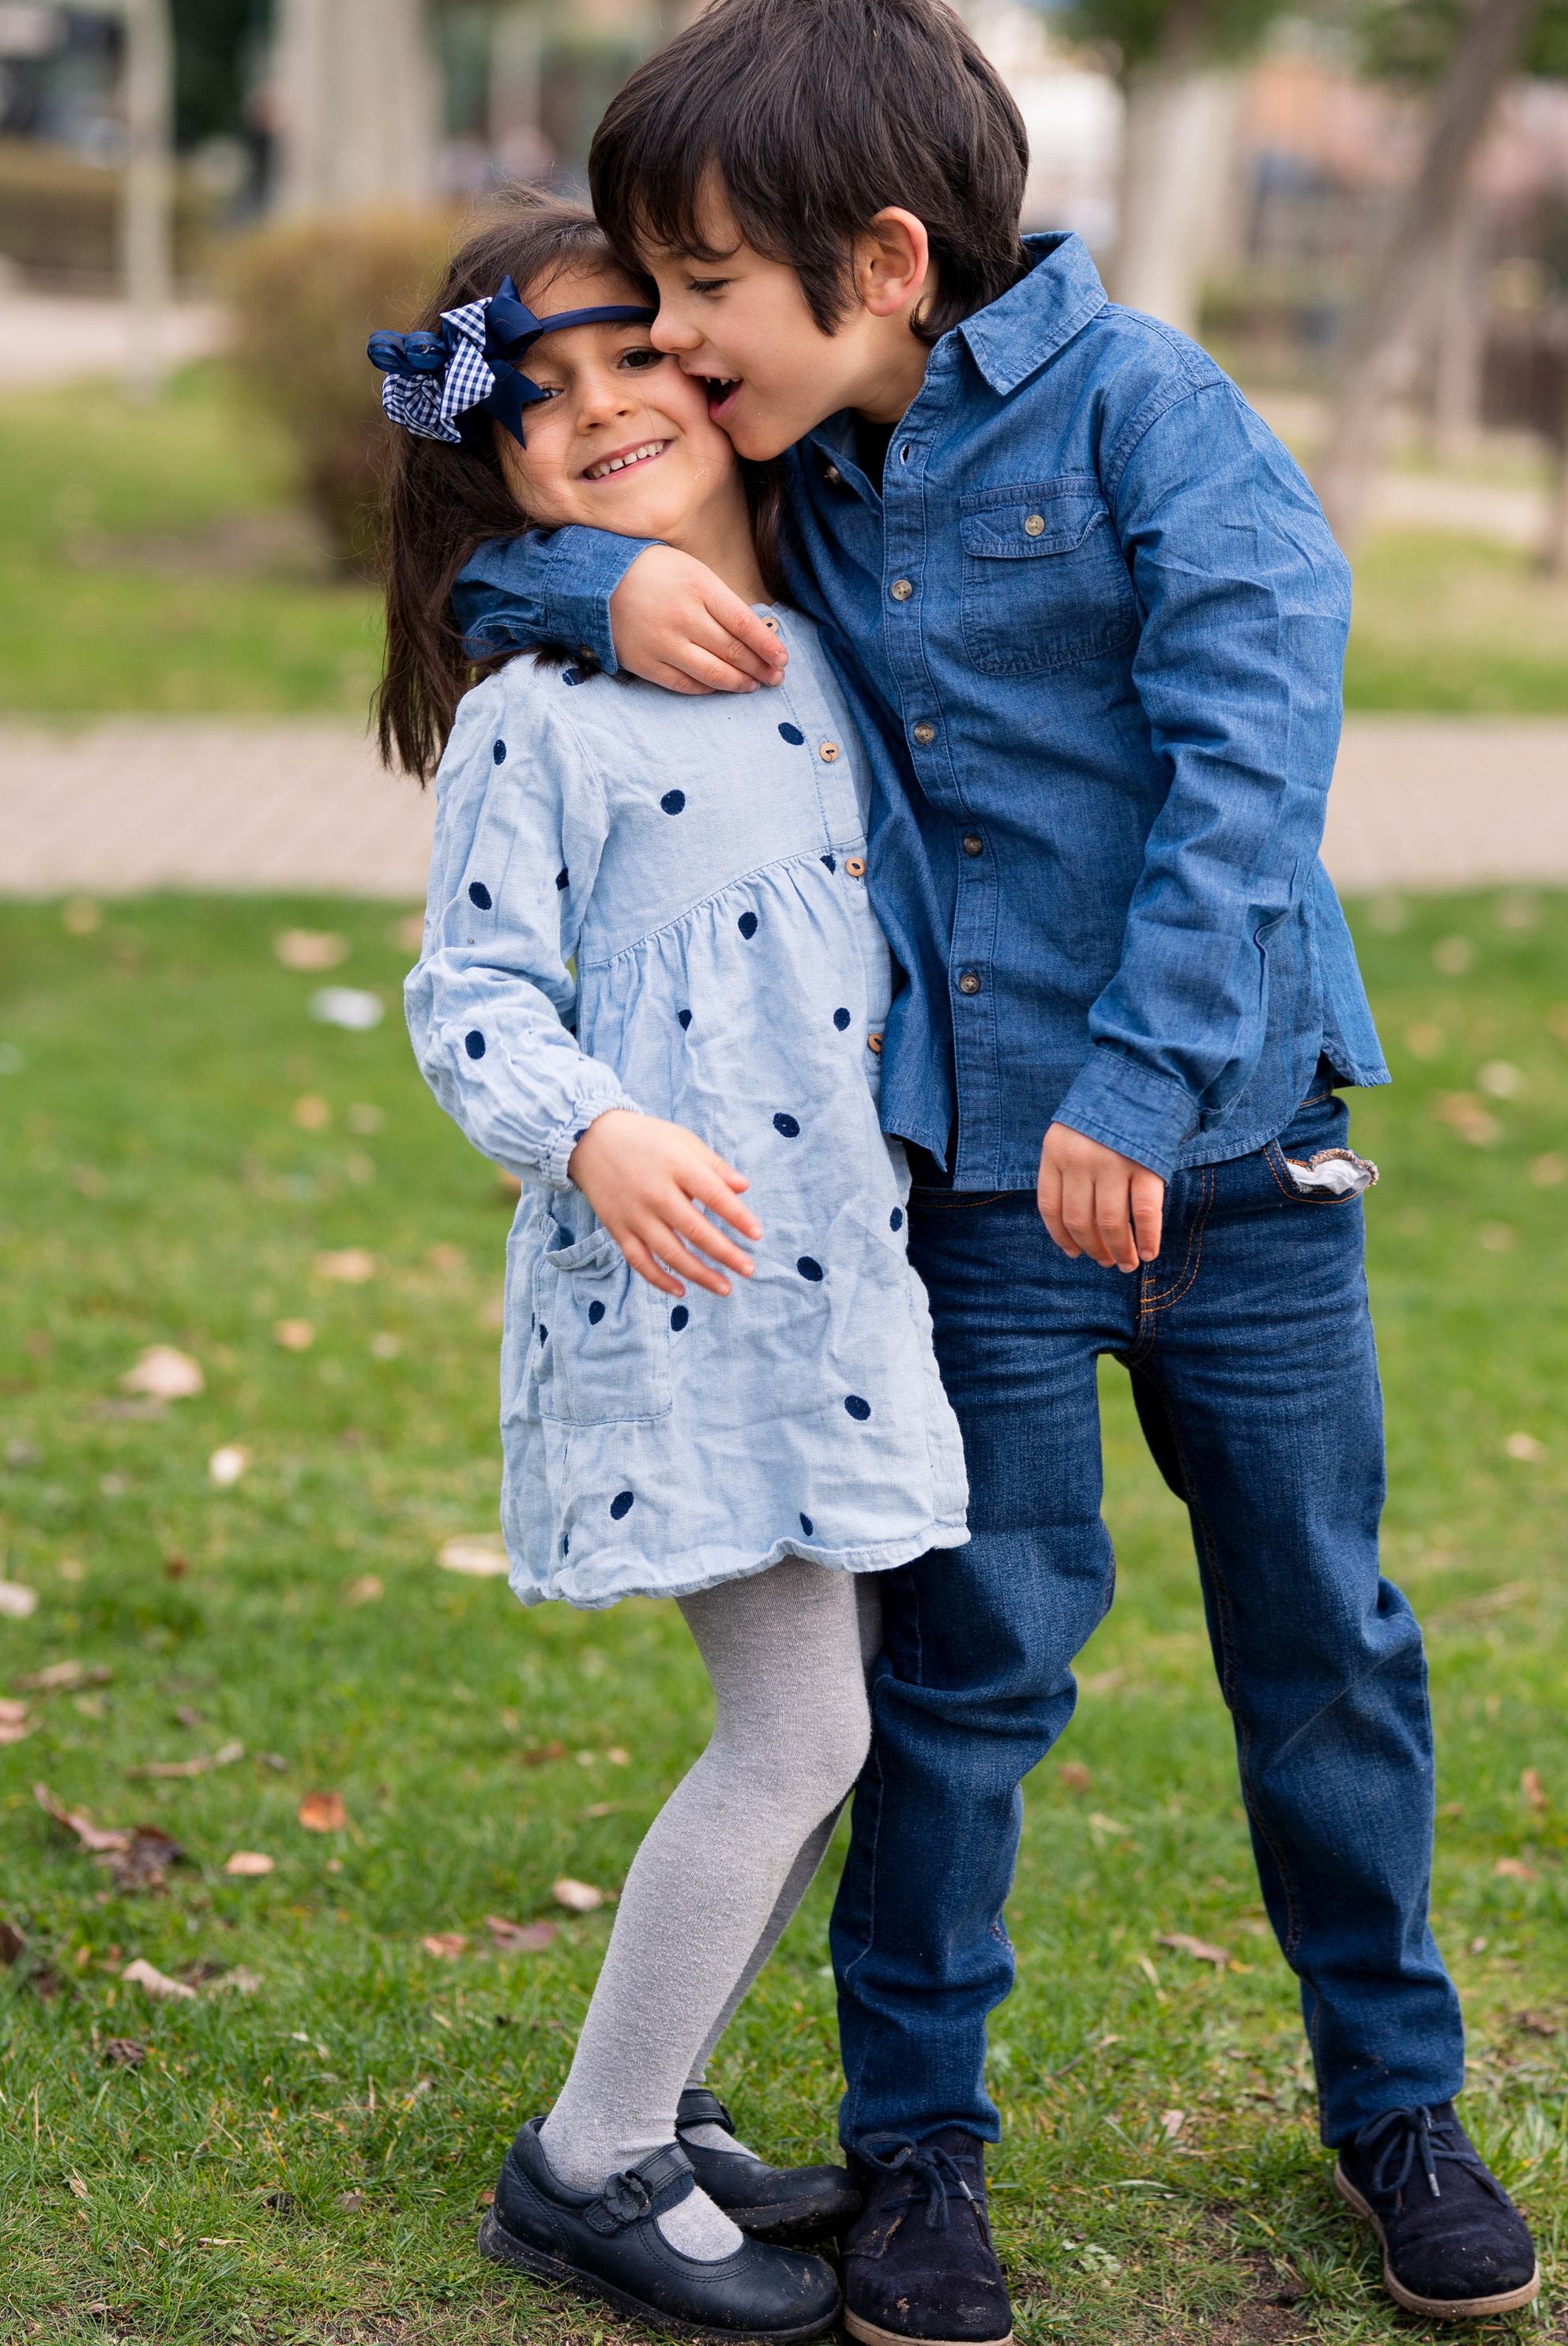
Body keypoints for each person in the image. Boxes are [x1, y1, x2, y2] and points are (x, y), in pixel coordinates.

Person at [453, 0, 1541, 2334]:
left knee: (1326, 1648)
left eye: (709, 291)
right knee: (962, 1676)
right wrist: (586, 574)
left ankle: (1396, 2104)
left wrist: (1140, 1095)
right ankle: (920, 2154)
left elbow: (1254, 755)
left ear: (883, 266)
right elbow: (551, 547)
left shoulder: (1157, 413)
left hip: (1237, 1169)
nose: (680, 347)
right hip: (975, 1203)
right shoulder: (814, 468)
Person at [375, 198, 969, 2340]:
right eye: (539, 407)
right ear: (499, 472)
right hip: (687, 1287)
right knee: (797, 1727)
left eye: (634, 357)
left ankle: (672, 2093)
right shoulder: (547, 717)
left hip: (837, 1288)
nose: (606, 411)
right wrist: (597, 1126)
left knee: (836, 1717)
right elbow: (473, 1000)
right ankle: (590, 2159)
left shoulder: (821, 625)